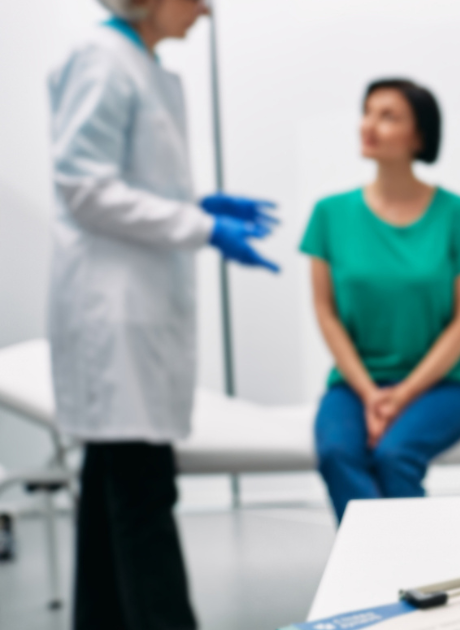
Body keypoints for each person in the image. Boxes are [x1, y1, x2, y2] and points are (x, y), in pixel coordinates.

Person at [48, 1, 279, 627]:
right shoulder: (101, 60)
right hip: (113, 313)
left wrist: (197, 206)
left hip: (138, 307)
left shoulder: (141, 65)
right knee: (142, 492)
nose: (207, 9)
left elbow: (131, 182)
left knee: (111, 491)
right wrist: (201, 225)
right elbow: (86, 189)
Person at [301, 78, 460, 523]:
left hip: (444, 383)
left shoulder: (458, 216)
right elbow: (326, 314)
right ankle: (391, 560)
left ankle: (404, 561)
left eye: (388, 117)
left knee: (394, 454)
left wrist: (402, 395)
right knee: (337, 452)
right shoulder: (329, 214)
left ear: (419, 136)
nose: (369, 125)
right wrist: (371, 394)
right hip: (355, 383)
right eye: (367, 112)